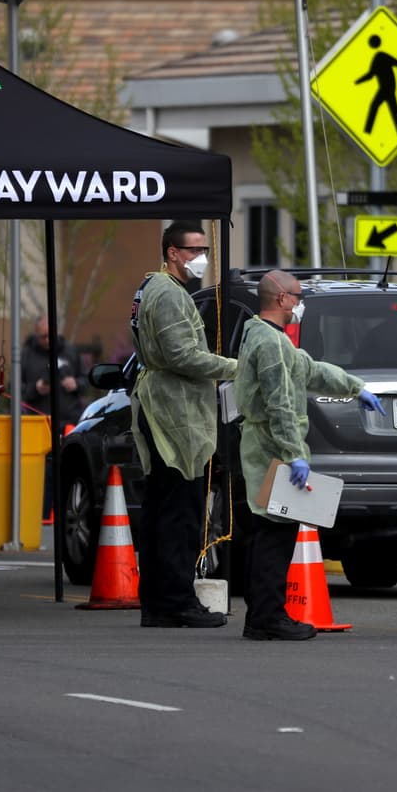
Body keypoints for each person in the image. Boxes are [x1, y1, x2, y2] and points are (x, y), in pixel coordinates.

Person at [234, 270, 386, 640]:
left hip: (265, 446)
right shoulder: (271, 344)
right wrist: (292, 454)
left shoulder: (267, 338)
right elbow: (281, 405)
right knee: (275, 534)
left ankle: (262, 614)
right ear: (281, 298)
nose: (300, 304)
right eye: (298, 297)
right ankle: (267, 618)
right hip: (272, 448)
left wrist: (355, 388)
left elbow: (310, 370)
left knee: (266, 532)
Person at [129, 221, 238, 628]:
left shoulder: (151, 288)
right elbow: (183, 356)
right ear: (172, 252)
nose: (201, 258)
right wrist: (236, 367)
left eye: (204, 250)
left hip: (165, 406)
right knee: (180, 512)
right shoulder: (169, 294)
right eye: (193, 250)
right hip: (174, 413)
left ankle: (159, 602)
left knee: (162, 509)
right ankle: (176, 602)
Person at [20, 314, 83, 424]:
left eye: (51, 335)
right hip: (38, 421)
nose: (48, 340)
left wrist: (76, 384)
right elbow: (14, 387)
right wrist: (35, 389)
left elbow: (86, 379)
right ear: (36, 334)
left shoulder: (70, 351)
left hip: (69, 421)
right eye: (43, 336)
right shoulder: (26, 355)